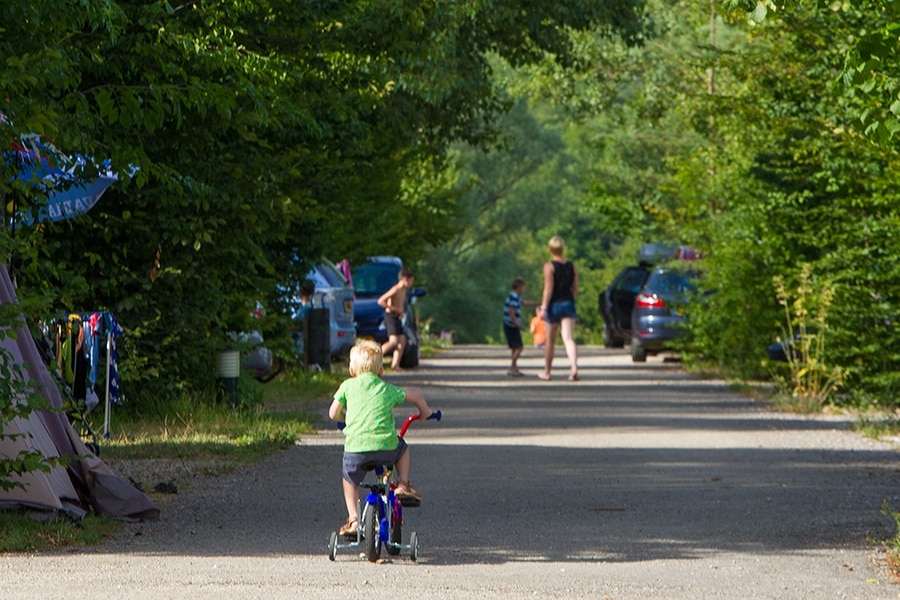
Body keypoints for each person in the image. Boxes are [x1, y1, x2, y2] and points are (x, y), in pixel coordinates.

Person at [328, 339, 433, 537]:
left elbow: (333, 413)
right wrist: (426, 413)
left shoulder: (347, 386)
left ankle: (353, 519)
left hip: (356, 450)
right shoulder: (386, 388)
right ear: (381, 371)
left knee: (349, 478)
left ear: (352, 370)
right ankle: (403, 484)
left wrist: (346, 419)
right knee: (402, 448)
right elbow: (416, 397)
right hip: (386, 448)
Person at [539, 235, 579, 381]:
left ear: (550, 249)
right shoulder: (571, 266)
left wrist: (543, 307)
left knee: (550, 341)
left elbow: (548, 288)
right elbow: (575, 288)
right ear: (563, 248)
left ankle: (547, 372)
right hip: (568, 303)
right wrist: (570, 297)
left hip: (553, 305)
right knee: (568, 338)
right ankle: (574, 366)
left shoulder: (549, 266)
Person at [377, 267, 415, 370]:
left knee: (402, 340)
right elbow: (381, 301)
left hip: (397, 317)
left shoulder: (404, 291)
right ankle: (374, 357)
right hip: (390, 316)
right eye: (411, 281)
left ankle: (395, 365)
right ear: (405, 279)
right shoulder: (396, 289)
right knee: (393, 341)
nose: (411, 284)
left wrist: (401, 313)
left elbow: (400, 304)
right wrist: (393, 309)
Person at [503, 277, 533, 376]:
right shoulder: (514, 297)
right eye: (523, 288)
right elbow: (511, 310)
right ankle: (512, 366)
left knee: (514, 348)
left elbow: (524, 303)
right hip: (511, 325)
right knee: (519, 347)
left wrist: (539, 303)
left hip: (510, 324)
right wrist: (516, 324)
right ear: (519, 287)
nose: (524, 290)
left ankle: (515, 368)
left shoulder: (515, 297)